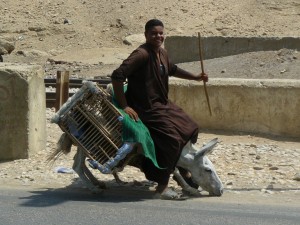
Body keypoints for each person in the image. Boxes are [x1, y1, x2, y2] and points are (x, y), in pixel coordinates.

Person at [111, 19, 208, 200]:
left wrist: (195, 77)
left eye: (161, 33)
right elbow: (117, 76)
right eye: (154, 33)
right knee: (172, 141)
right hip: (145, 108)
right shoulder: (141, 54)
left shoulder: (162, 53)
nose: (159, 36)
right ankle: (161, 186)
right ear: (146, 35)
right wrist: (125, 105)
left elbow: (173, 69)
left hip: (162, 104)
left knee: (190, 127)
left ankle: (182, 171)